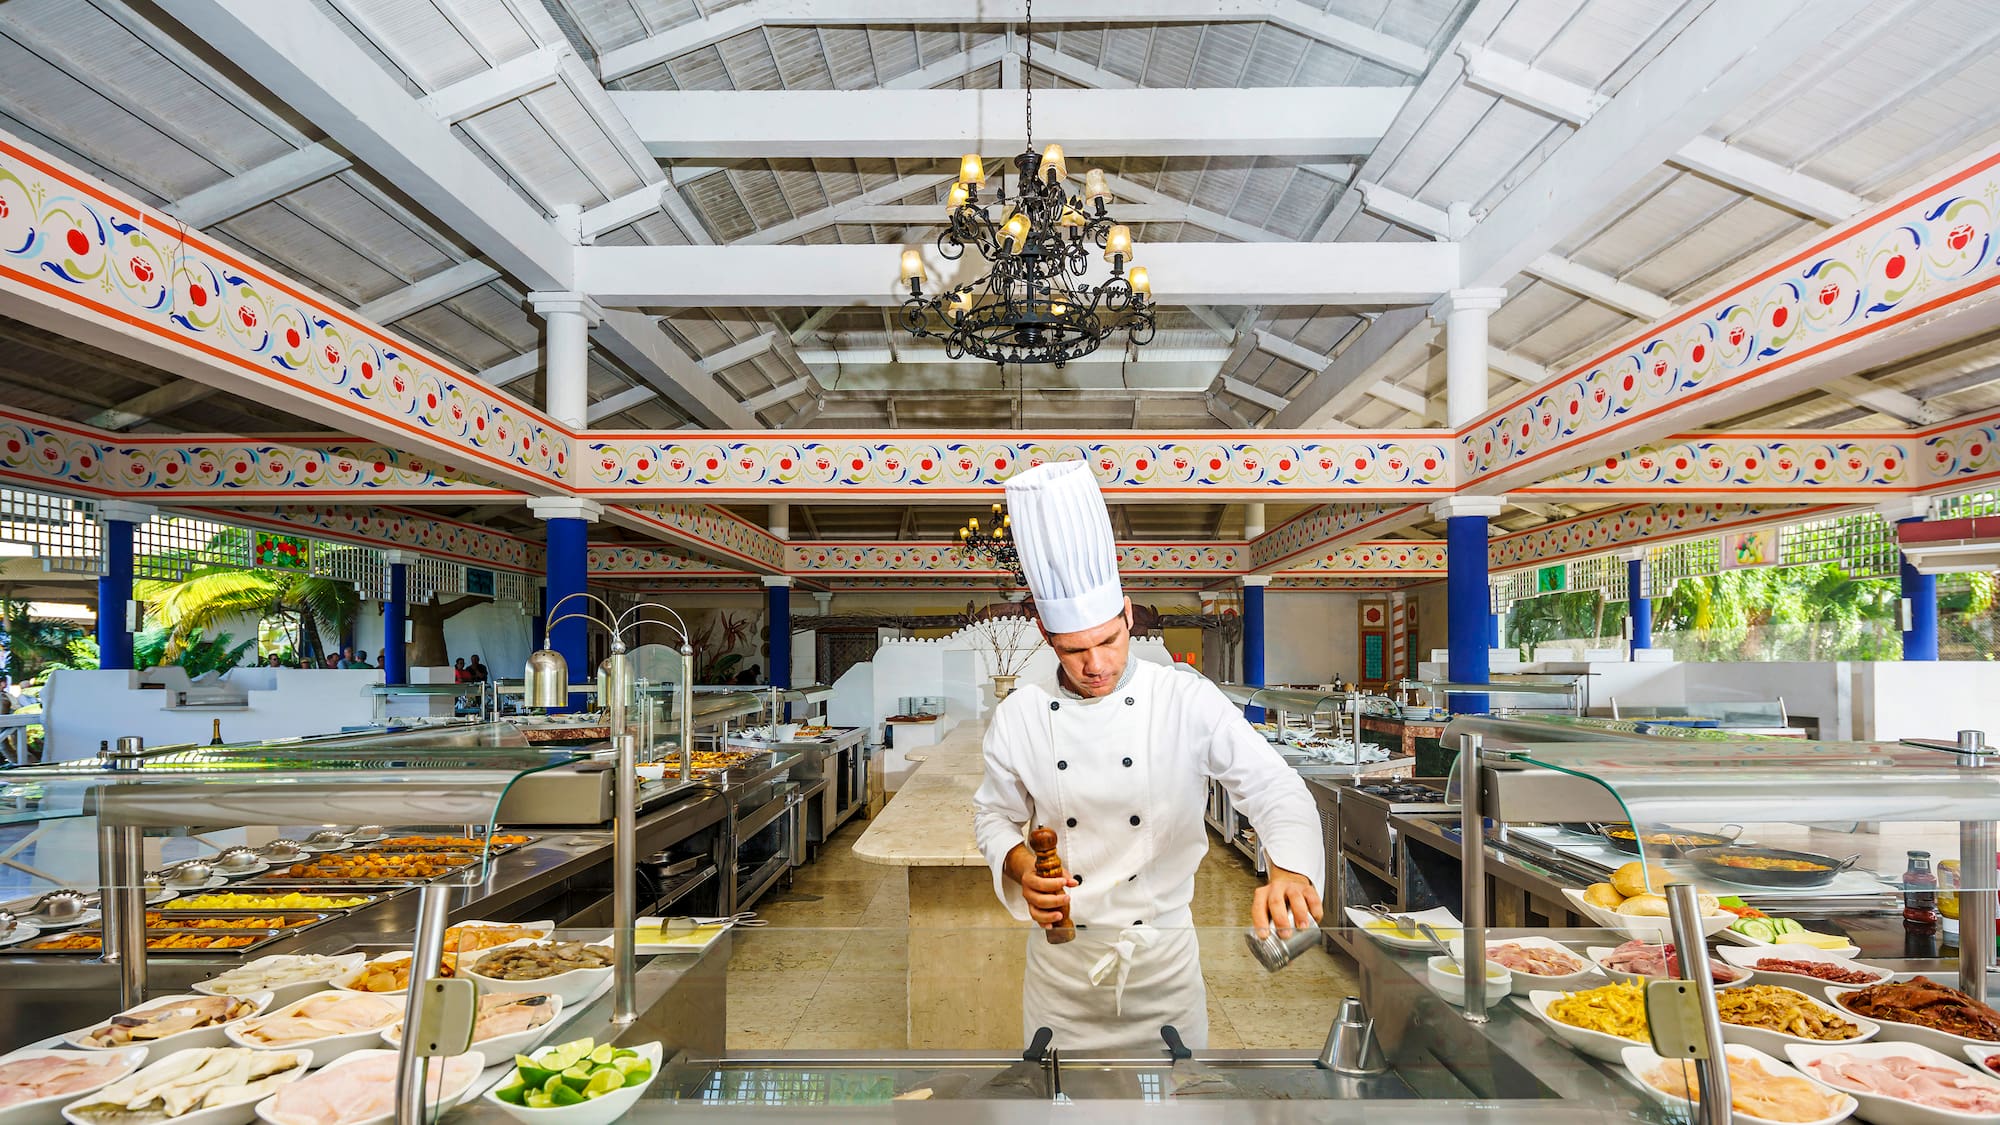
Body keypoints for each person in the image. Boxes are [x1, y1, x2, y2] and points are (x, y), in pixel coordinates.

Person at [972, 461, 1324, 1052]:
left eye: (1109, 641)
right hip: (1062, 973)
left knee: (1175, 1095)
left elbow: (1272, 784)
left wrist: (1289, 868)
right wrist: (1022, 866)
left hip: (1163, 966)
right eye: (1073, 650)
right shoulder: (1021, 716)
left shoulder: (1183, 697)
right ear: (1046, 636)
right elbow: (992, 816)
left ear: (1129, 615)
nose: (1096, 665)